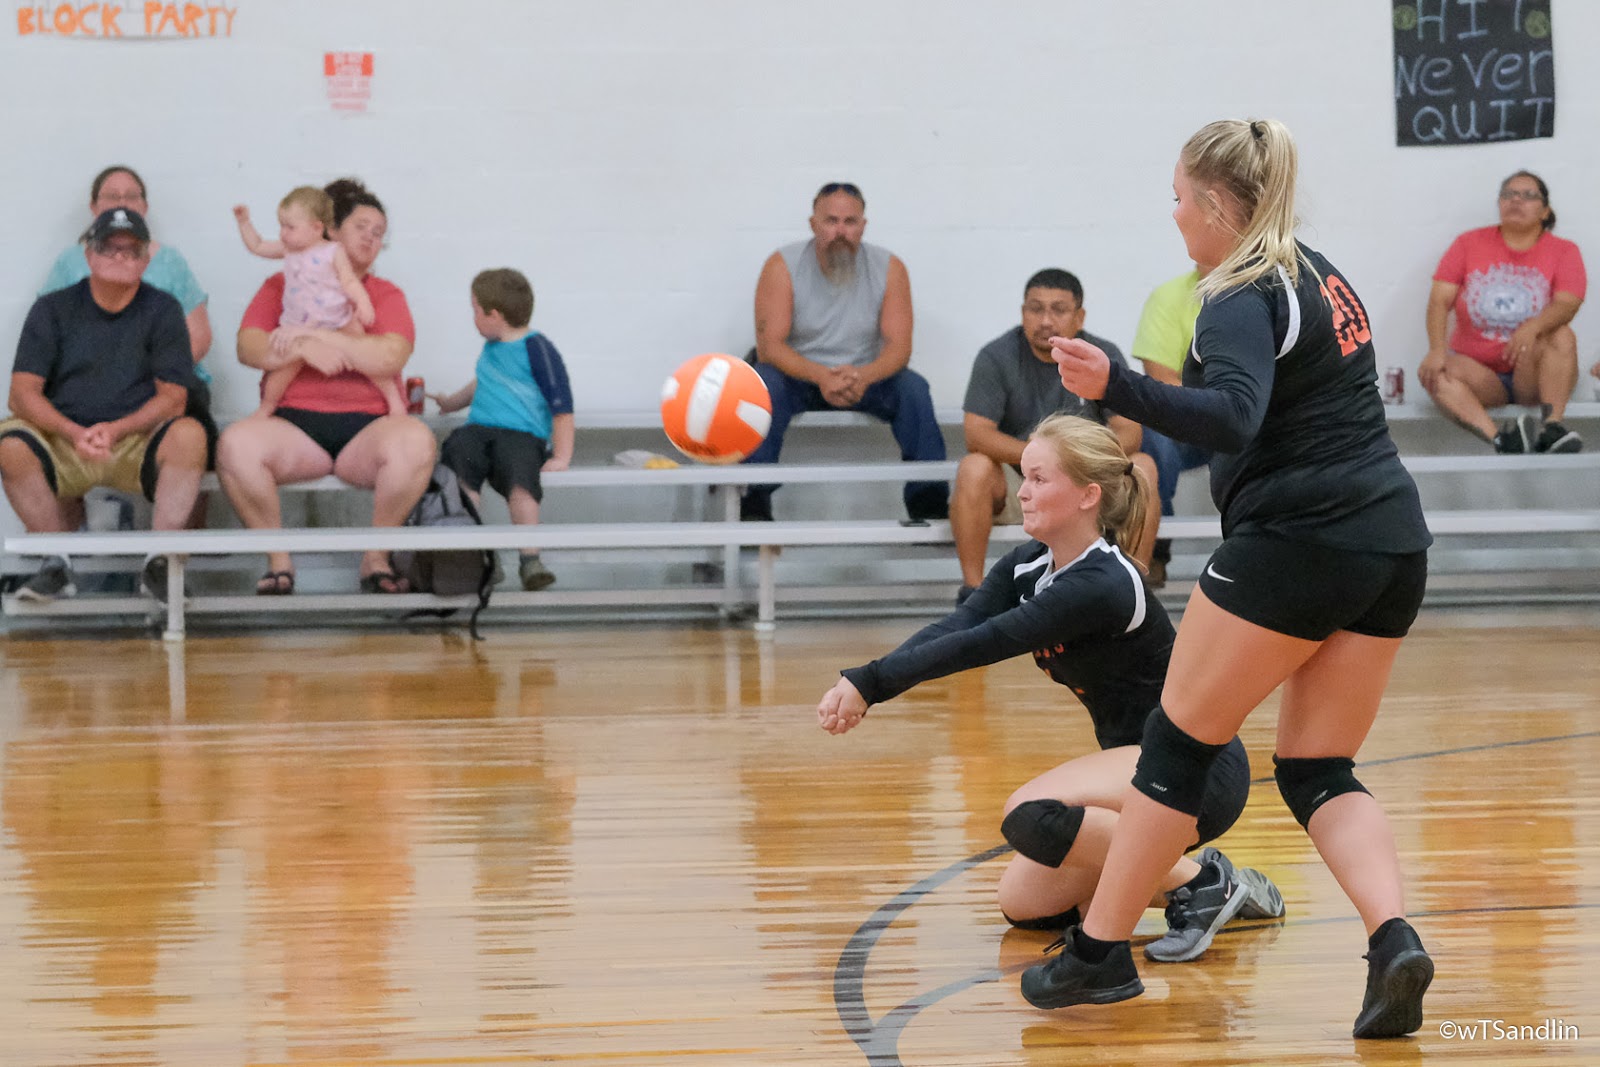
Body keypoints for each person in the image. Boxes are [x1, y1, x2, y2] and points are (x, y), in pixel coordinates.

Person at [1026, 119, 1435, 1040]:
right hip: (1392, 544)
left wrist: (1118, 384)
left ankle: (1096, 957)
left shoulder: (1239, 290)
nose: (1172, 215)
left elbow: (1236, 417)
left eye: (1179, 196)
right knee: (1318, 765)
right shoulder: (1322, 273)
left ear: (1217, 205)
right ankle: (1393, 939)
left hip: (1297, 542)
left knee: (1174, 746)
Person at [818, 414, 1283, 960]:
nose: (1023, 493)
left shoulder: (1103, 583)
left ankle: (1202, 887)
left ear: (1088, 496)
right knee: (1027, 906)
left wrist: (871, 684)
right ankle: (1218, 882)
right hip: (1139, 773)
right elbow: (959, 626)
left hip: (1196, 769)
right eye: (1024, 478)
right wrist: (866, 679)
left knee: (1032, 812)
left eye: (1040, 479)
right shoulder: (1031, 566)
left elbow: (986, 643)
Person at [215, 177, 436, 596]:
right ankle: (279, 560)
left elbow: (389, 357)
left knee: (416, 440)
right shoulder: (282, 283)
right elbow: (250, 347)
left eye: (379, 233)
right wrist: (304, 350)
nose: (371, 238)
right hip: (294, 430)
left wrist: (313, 338)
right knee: (235, 445)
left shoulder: (385, 294)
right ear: (330, 229)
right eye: (361, 227)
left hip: (369, 432)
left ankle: (377, 557)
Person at [2, 207, 208, 601]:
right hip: (64, 440)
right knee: (10, 443)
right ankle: (54, 562)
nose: (119, 257)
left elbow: (174, 398)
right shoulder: (52, 308)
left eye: (131, 251)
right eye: (108, 248)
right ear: (89, 254)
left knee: (190, 435)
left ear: (145, 262)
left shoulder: (164, 310)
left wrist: (116, 429)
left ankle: (160, 563)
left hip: (136, 440)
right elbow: (21, 393)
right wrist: (73, 431)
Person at [742, 181, 947, 522]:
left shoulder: (890, 268)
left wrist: (862, 376)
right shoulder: (782, 265)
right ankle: (753, 500)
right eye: (831, 221)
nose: (840, 231)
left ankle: (929, 503)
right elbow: (770, 347)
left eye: (850, 222)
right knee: (762, 382)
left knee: (914, 388)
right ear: (813, 224)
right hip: (800, 376)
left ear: (863, 225)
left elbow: (899, 348)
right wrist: (821, 375)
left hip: (864, 377)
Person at [953, 269, 1158, 602]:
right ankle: (973, 594)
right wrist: (1042, 460)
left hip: (1086, 483)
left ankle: (1135, 587)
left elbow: (1130, 431)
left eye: (1058, 310)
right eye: (1036, 308)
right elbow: (976, 435)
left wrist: (1075, 462)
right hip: (1021, 481)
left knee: (1143, 467)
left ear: (1079, 317)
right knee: (974, 468)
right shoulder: (996, 356)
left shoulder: (1102, 356)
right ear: (1022, 313)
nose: (1045, 319)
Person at [1420, 171, 1586, 454]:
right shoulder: (1468, 243)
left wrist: (1534, 327)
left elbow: (1568, 303)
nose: (1516, 201)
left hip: (1532, 374)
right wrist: (1436, 349)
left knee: (1562, 335)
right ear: (1499, 203)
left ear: (1545, 210)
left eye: (1528, 195)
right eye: (1509, 194)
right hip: (1481, 376)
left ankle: (1552, 428)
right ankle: (1503, 440)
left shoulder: (1564, 251)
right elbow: (1439, 300)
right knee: (1438, 371)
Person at [429, 268, 574, 592]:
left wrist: (562, 455)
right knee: (458, 463)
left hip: (521, 434)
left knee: (521, 482)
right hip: (480, 431)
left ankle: (530, 558)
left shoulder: (538, 348)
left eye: (475, 310)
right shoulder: (492, 348)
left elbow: (562, 404)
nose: (474, 318)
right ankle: (475, 556)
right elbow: (483, 383)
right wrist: (451, 403)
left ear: (493, 315)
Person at [232, 187, 398, 418]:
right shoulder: (288, 249)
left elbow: (349, 280)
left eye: (290, 227)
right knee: (283, 370)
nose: (282, 234)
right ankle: (267, 406)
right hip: (299, 323)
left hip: (337, 316)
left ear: (316, 228)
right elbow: (258, 246)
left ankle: (393, 398)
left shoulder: (333, 251)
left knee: (365, 356)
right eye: (281, 226)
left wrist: (363, 302)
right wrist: (244, 223)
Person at [1130, 266, 1213, 587]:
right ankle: (1154, 551)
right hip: (1189, 423)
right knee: (1152, 433)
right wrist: (1222, 405)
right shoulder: (1169, 297)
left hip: (1249, 418)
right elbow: (1161, 381)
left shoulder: (1270, 294)